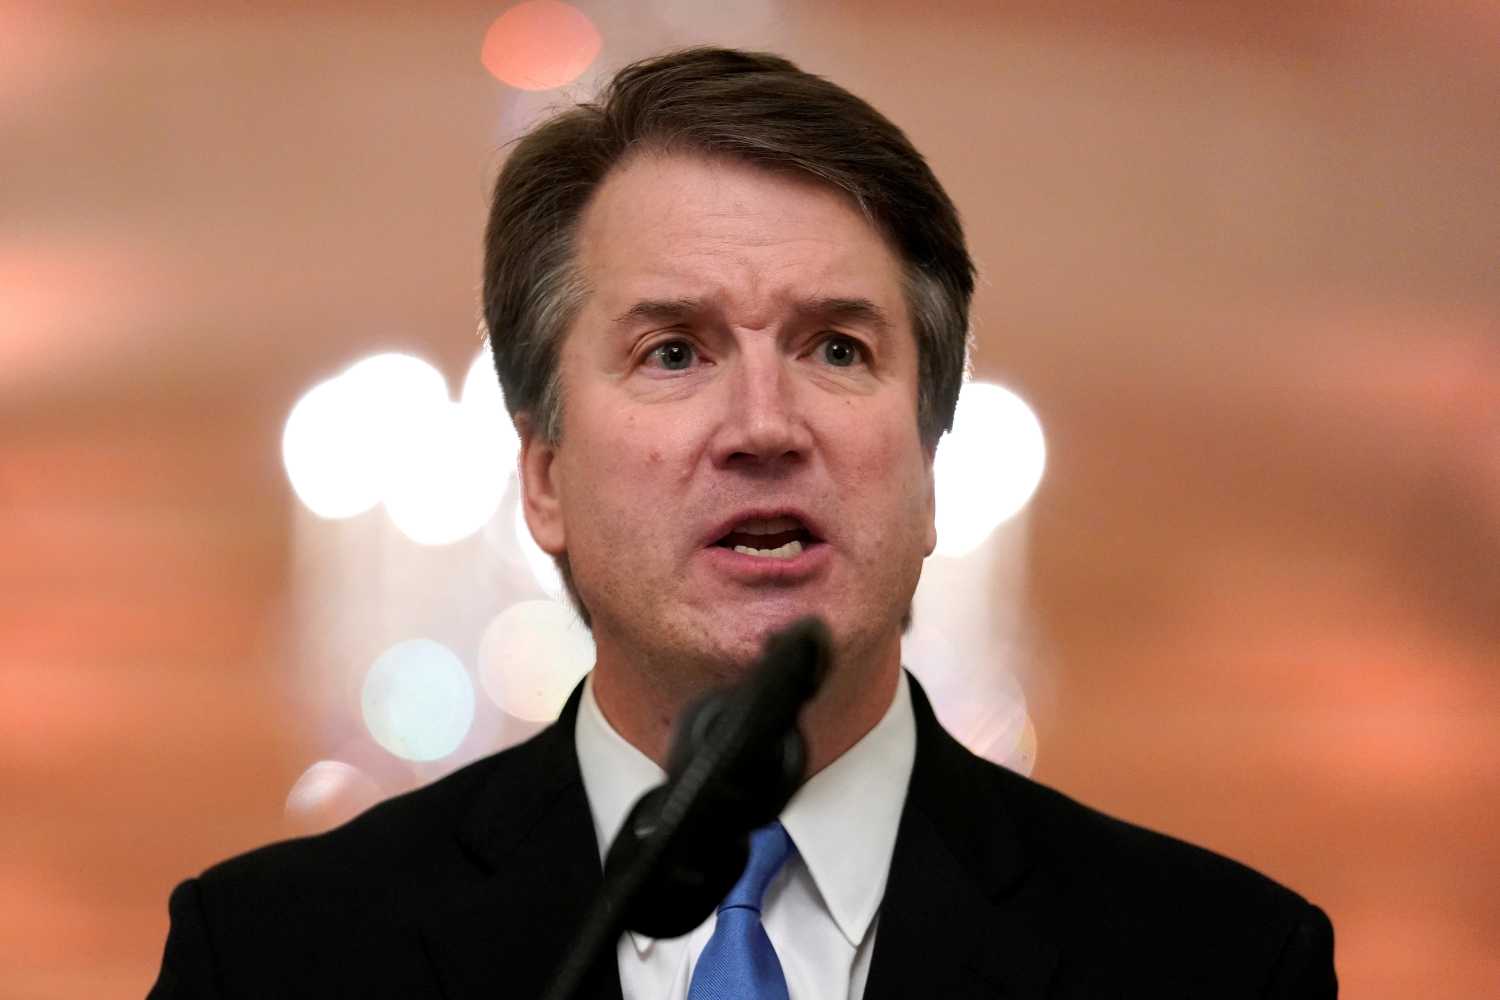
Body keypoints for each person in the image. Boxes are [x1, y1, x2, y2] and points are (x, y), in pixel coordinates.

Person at [150, 47, 1337, 998]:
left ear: (930, 465)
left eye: (837, 347)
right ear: (545, 477)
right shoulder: (272, 957)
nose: (763, 424)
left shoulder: (1219, 961)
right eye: (674, 351)